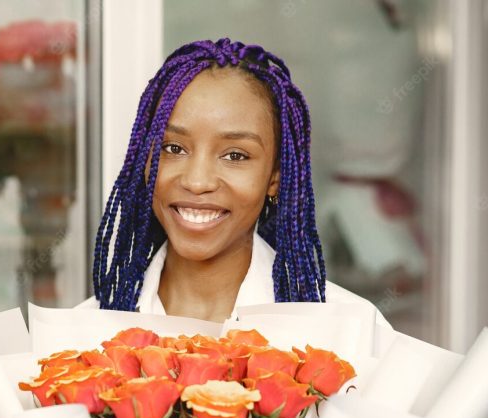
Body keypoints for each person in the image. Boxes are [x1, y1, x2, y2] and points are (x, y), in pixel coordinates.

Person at [77, 37, 388, 326]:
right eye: (173, 148)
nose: (197, 182)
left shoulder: (348, 331)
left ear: (275, 178)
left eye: (236, 156)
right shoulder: (83, 337)